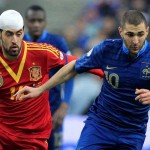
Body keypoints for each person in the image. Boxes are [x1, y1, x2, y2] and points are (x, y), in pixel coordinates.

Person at [16, 10, 150, 150]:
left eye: (140, 34)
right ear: (121, 31)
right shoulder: (107, 48)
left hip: (133, 131)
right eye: (130, 34)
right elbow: (74, 67)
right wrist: (40, 89)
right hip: (100, 125)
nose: (135, 41)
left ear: (147, 31)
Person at [0, 9, 103, 150]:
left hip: (33, 138)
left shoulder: (42, 52)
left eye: (18, 34)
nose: (14, 40)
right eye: (9, 34)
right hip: (3, 137)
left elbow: (78, 63)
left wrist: (107, 73)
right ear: (0, 34)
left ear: (23, 31)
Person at [24, 5, 73, 150]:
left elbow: (71, 72)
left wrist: (64, 105)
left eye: (40, 20)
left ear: (45, 22)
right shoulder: (18, 45)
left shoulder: (57, 43)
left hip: (53, 110)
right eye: (32, 21)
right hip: (27, 113)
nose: (36, 24)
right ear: (26, 22)